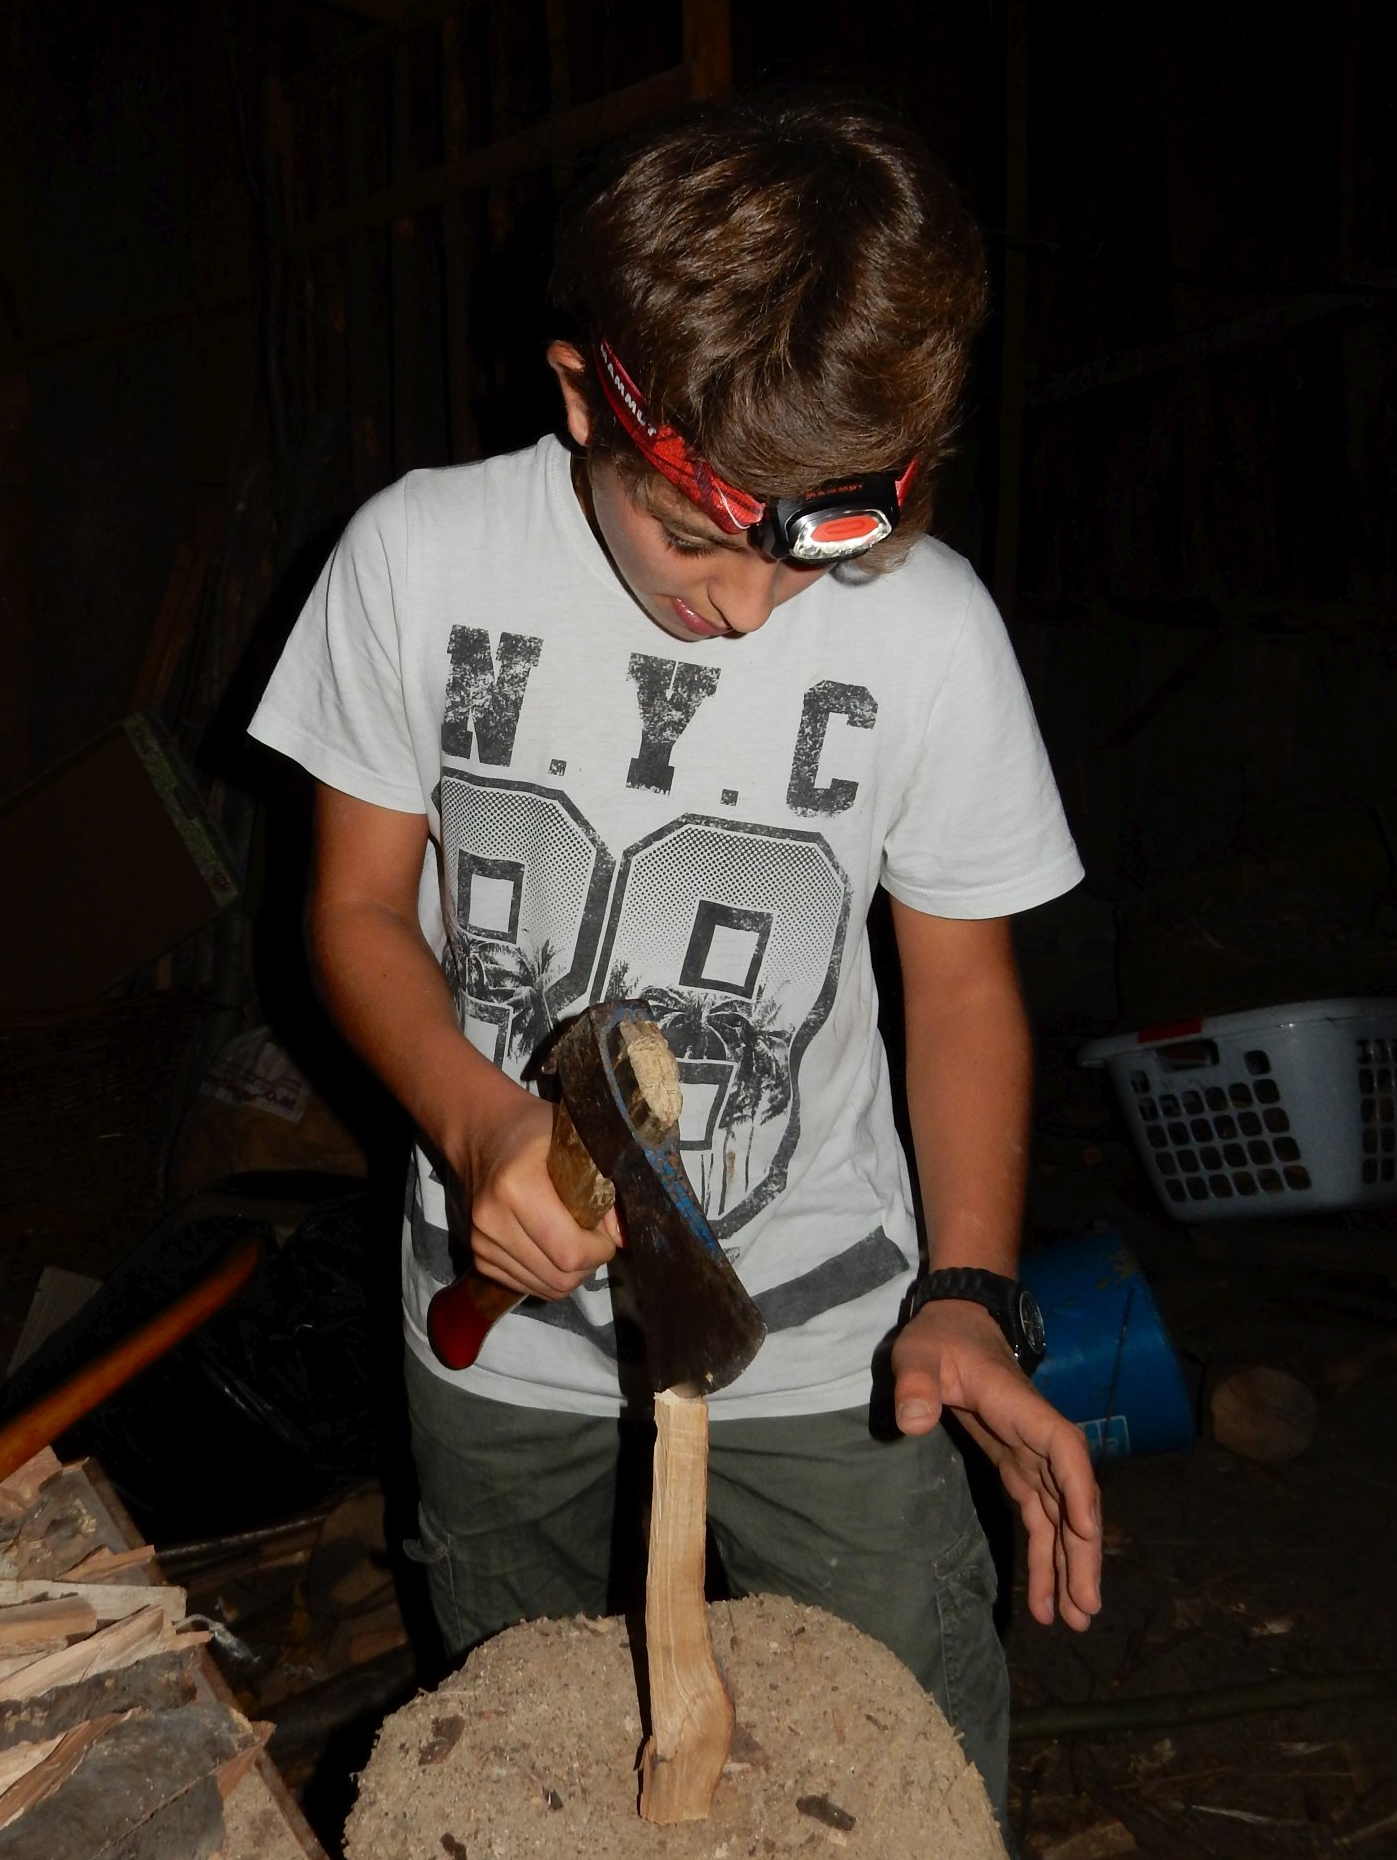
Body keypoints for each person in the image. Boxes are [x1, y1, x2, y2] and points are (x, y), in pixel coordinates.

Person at [249, 88, 1102, 1825]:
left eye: (801, 565)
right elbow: (350, 911)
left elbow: (959, 987)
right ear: (583, 395)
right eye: (697, 540)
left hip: (831, 1338)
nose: (745, 613)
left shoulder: (931, 633)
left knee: (909, 1779)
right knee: (526, 1783)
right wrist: (481, 1125)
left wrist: (969, 1290)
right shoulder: (419, 559)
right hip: (497, 1331)